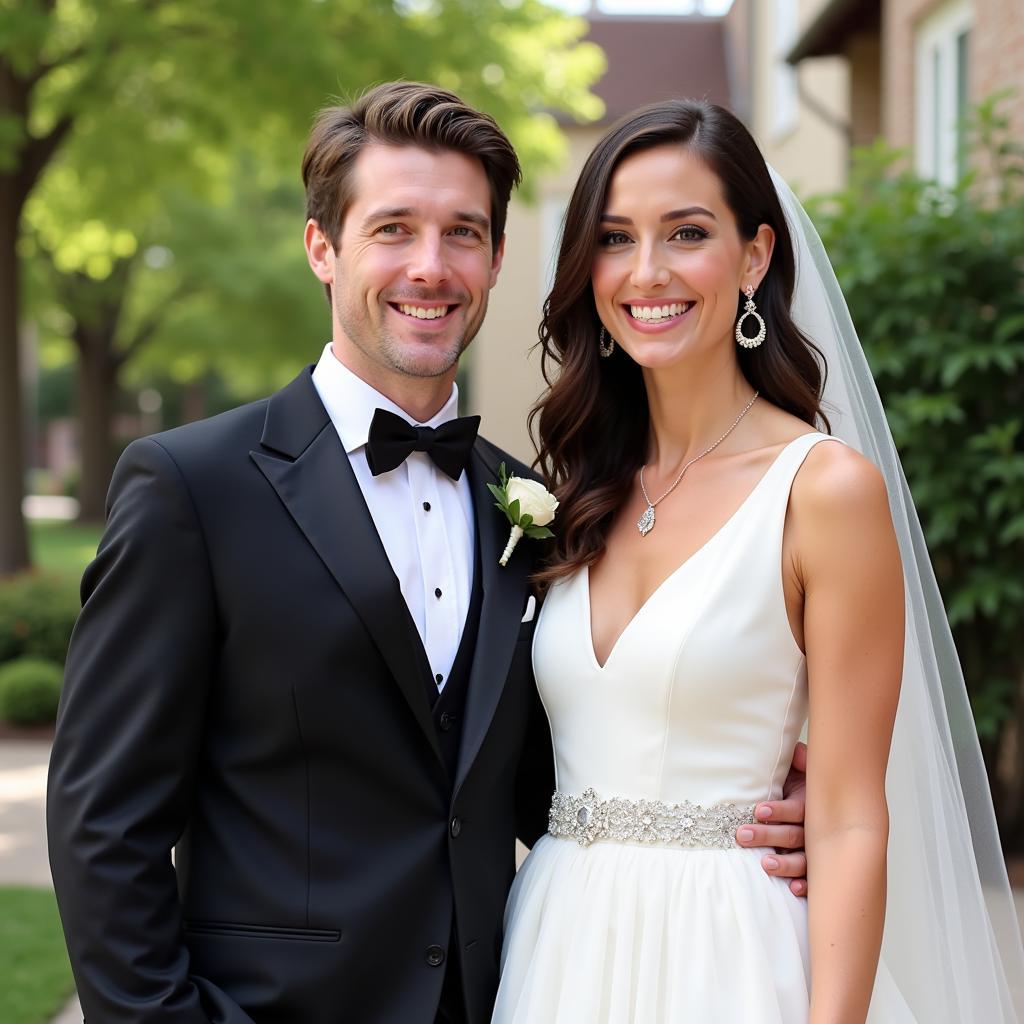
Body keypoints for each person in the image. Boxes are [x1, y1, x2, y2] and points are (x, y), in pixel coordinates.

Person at [46, 83, 809, 1024]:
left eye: (462, 234)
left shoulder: (535, 507)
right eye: (393, 229)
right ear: (322, 247)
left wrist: (754, 809)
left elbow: (549, 778)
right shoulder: (191, 488)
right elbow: (103, 826)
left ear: (494, 259)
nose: (430, 267)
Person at [493, 99, 1024, 1022]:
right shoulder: (575, 491)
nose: (646, 272)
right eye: (615, 238)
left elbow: (855, 815)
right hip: (564, 951)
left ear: (755, 256)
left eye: (686, 233)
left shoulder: (823, 491)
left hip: (735, 959)